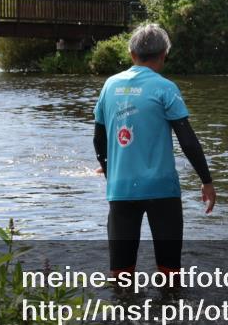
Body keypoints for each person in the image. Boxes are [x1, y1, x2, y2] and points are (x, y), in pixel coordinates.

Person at [93, 23, 217, 278]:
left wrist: (110, 172)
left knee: (121, 274)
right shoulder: (165, 87)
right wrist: (206, 181)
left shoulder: (109, 86)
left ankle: (124, 304)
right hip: (162, 191)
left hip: (121, 189)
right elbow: (188, 140)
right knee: (170, 271)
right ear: (163, 55)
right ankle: (172, 303)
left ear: (132, 54)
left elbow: (98, 140)